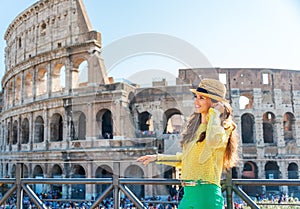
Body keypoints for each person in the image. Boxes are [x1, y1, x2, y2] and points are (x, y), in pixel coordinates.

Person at [137, 78, 239, 209]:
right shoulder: (195, 129)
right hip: (188, 194)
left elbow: (213, 141)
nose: (196, 101)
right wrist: (157, 157)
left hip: (206, 193)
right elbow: (184, 159)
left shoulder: (224, 128)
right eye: (196, 97)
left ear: (214, 102)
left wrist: (215, 113)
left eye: (201, 98)